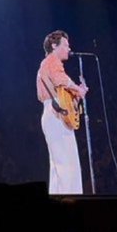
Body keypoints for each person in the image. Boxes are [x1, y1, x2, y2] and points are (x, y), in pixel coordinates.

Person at [36, 31, 88, 195]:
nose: (69, 48)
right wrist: (78, 88)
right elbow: (61, 79)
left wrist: (76, 95)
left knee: (59, 164)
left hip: (52, 112)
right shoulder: (51, 61)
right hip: (55, 114)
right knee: (67, 163)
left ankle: (60, 197)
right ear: (54, 46)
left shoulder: (46, 65)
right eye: (65, 45)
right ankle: (70, 201)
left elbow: (57, 92)